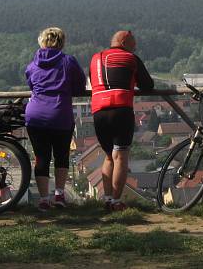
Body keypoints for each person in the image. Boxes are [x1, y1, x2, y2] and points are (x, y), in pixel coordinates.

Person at [89, 30, 154, 212]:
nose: (135, 47)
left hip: (99, 111)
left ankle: (107, 198)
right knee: (121, 156)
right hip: (121, 109)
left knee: (109, 156)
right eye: (134, 43)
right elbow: (148, 85)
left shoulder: (96, 58)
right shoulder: (131, 58)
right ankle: (116, 201)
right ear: (124, 42)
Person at [24, 27, 87, 211]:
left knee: (41, 158)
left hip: (35, 115)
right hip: (60, 114)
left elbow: (31, 85)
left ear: (41, 42)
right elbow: (80, 86)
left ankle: (44, 199)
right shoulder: (68, 62)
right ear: (61, 42)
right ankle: (59, 195)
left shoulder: (32, 65)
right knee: (61, 156)